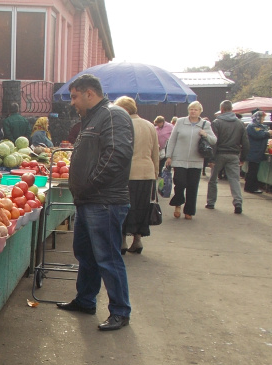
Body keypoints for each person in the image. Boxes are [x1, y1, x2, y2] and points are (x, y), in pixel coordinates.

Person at [56, 74, 134, 332]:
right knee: (86, 254)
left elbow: (117, 155)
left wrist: (90, 184)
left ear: (90, 93)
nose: (72, 103)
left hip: (104, 201)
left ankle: (120, 311)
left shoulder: (113, 115)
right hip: (88, 200)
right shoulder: (93, 118)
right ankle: (85, 300)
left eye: (75, 97)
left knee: (107, 257)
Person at [114, 96, 159, 255]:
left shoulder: (123, 125)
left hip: (127, 173)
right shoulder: (149, 125)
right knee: (141, 206)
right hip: (147, 172)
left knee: (125, 207)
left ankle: (122, 241)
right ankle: (137, 240)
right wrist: (155, 172)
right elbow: (155, 151)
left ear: (124, 110)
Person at [165, 101, 216, 220]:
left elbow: (214, 140)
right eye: (191, 109)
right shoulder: (180, 121)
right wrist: (169, 156)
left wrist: (205, 135)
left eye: (195, 109)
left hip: (196, 160)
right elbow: (172, 139)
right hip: (179, 159)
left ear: (200, 111)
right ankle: (178, 203)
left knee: (192, 186)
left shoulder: (205, 124)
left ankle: (189, 211)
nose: (193, 111)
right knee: (180, 183)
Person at [206, 100, 249, 214]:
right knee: (234, 179)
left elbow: (213, 142)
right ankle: (238, 202)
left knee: (213, 179)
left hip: (219, 154)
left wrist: (211, 159)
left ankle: (211, 202)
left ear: (221, 109)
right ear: (231, 109)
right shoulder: (240, 123)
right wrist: (243, 158)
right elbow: (245, 143)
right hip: (234, 155)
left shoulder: (217, 122)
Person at [245, 111, 270, 195]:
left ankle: (252, 187)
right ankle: (250, 187)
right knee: (252, 171)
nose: (263, 119)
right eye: (262, 117)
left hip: (257, 152)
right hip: (254, 151)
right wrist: (268, 133)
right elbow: (259, 135)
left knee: (254, 170)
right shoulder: (252, 126)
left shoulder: (259, 126)